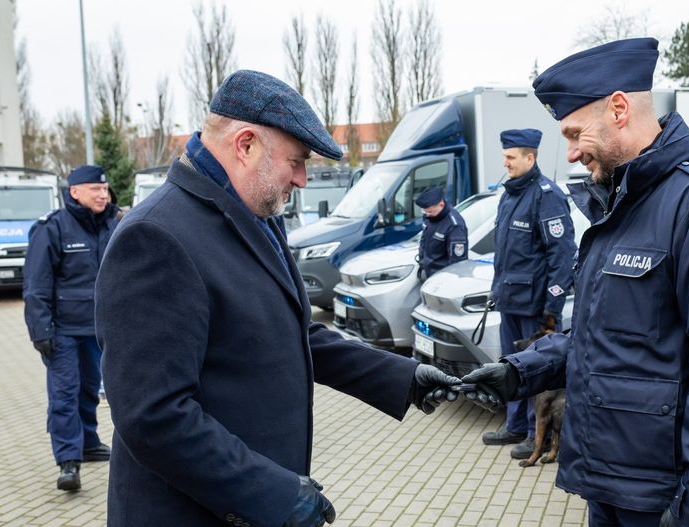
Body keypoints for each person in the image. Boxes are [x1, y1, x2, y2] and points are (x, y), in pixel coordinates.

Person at [94, 70, 461, 527]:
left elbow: (294, 333)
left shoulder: (256, 215)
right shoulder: (156, 236)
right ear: (245, 145)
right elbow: (153, 416)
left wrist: (405, 378)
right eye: (297, 160)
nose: (304, 179)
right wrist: (269, 494)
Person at [463, 38, 689, 527]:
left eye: (574, 134)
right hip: (609, 482)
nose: (568, 154)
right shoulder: (618, 210)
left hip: (664, 498)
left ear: (618, 109)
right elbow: (603, 338)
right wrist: (520, 372)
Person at [481, 128, 576, 460]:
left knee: (535, 372)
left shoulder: (545, 195)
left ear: (530, 157)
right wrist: (496, 290)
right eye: (504, 156)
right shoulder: (509, 195)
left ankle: (539, 436)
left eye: (510, 157)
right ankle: (515, 426)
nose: (505, 163)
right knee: (511, 368)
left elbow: (561, 255)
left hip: (536, 306)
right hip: (510, 300)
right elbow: (506, 254)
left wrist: (552, 308)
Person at [22, 164, 119, 492]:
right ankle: (68, 462)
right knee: (64, 394)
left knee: (90, 389)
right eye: (95, 190)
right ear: (75, 191)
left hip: (99, 328)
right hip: (61, 330)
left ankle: (89, 443)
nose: (103, 195)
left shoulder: (112, 224)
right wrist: (40, 330)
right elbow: (36, 285)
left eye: (105, 190)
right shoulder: (52, 228)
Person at [415, 186, 468, 280]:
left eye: (430, 211)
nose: (427, 214)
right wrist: (422, 264)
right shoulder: (429, 217)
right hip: (429, 275)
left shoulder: (454, 225)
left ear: (441, 204)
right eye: (425, 211)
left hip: (443, 279)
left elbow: (457, 262)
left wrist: (445, 282)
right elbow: (423, 241)